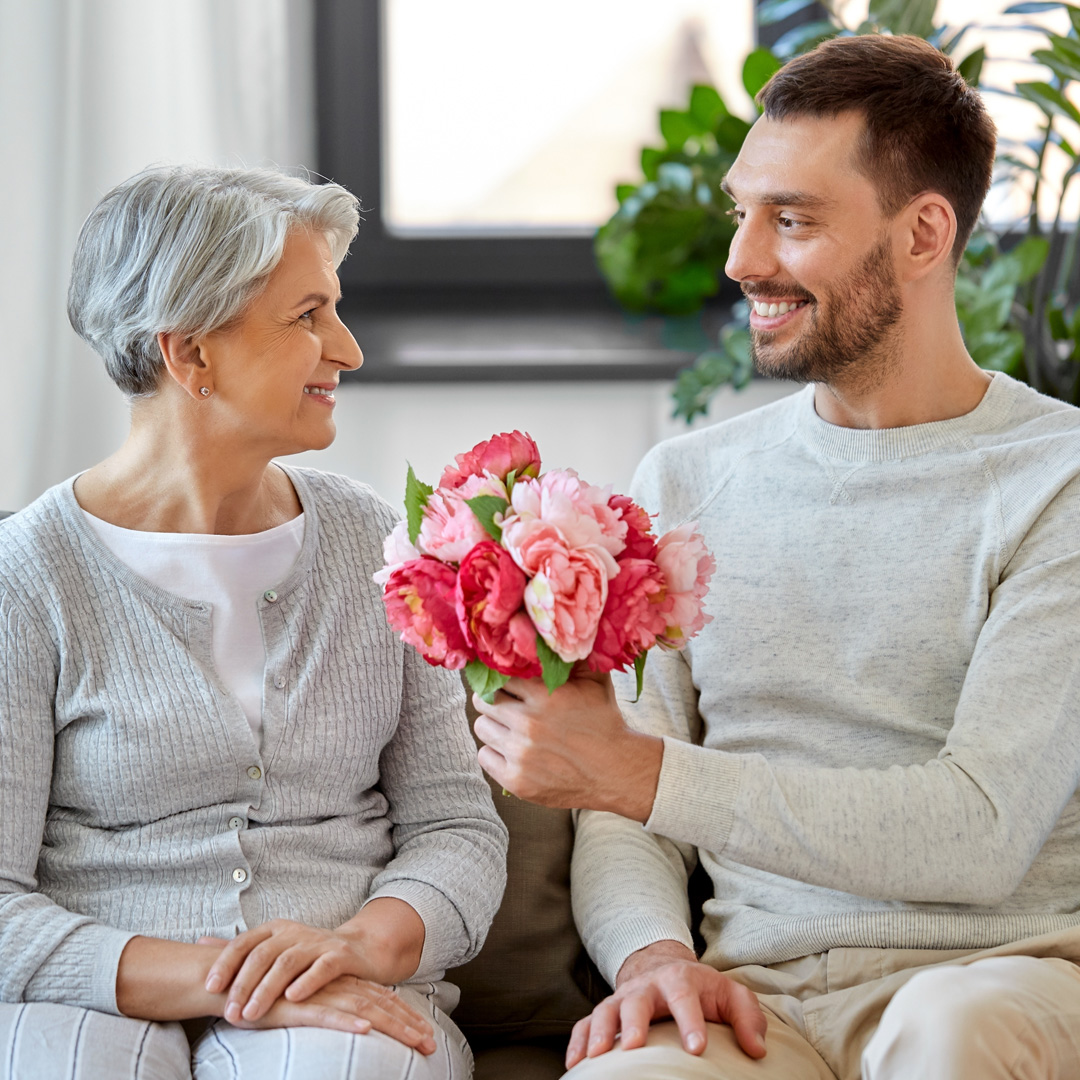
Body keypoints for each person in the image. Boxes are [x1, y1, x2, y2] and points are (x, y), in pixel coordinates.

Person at [471, 33, 1080, 1080]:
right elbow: (632, 814)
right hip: (760, 1005)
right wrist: (653, 952)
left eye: (791, 221)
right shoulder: (686, 481)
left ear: (924, 233)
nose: (742, 259)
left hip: (997, 974)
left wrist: (642, 772)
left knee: (948, 1039)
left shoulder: (1057, 481)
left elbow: (979, 832)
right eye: (741, 212)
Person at [0, 165, 507, 1079]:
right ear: (191, 354)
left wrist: (362, 946)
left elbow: (456, 826)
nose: (347, 349)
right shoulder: (25, 578)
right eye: (307, 316)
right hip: (95, 990)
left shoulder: (378, 543)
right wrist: (221, 980)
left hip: (348, 1000)